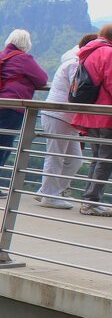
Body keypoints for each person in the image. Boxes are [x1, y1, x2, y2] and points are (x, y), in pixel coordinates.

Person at [0, 30, 48, 198]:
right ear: (26, 44)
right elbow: (42, 78)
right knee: (1, 147)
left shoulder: (0, 56)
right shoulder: (23, 58)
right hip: (9, 107)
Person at [36, 33, 97, 209]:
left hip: (65, 117)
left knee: (75, 159)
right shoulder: (75, 64)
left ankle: (48, 191)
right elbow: (79, 91)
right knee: (56, 156)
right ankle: (49, 195)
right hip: (59, 115)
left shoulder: (75, 62)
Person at [71, 25, 112, 217]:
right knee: (105, 159)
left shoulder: (89, 51)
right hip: (105, 115)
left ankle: (89, 198)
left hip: (90, 113)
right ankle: (91, 201)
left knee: (97, 158)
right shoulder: (108, 52)